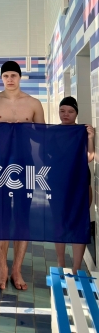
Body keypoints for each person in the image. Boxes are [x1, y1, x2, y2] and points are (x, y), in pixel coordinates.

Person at [0, 60, 45, 291]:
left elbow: (42, 137)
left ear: (20, 77)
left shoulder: (33, 103)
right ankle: (3, 270)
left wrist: (24, 128)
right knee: (1, 216)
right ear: (1, 78)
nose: (10, 79)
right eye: (6, 75)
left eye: (13, 75)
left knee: (22, 218)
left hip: (25, 165)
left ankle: (16, 270)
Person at [55, 96, 95, 274]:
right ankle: (61, 263)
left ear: (76, 113)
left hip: (80, 181)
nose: (66, 114)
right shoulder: (53, 132)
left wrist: (91, 138)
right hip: (59, 182)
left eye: (70, 111)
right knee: (59, 222)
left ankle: (77, 268)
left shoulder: (83, 131)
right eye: (62, 111)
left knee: (79, 222)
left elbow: (89, 157)